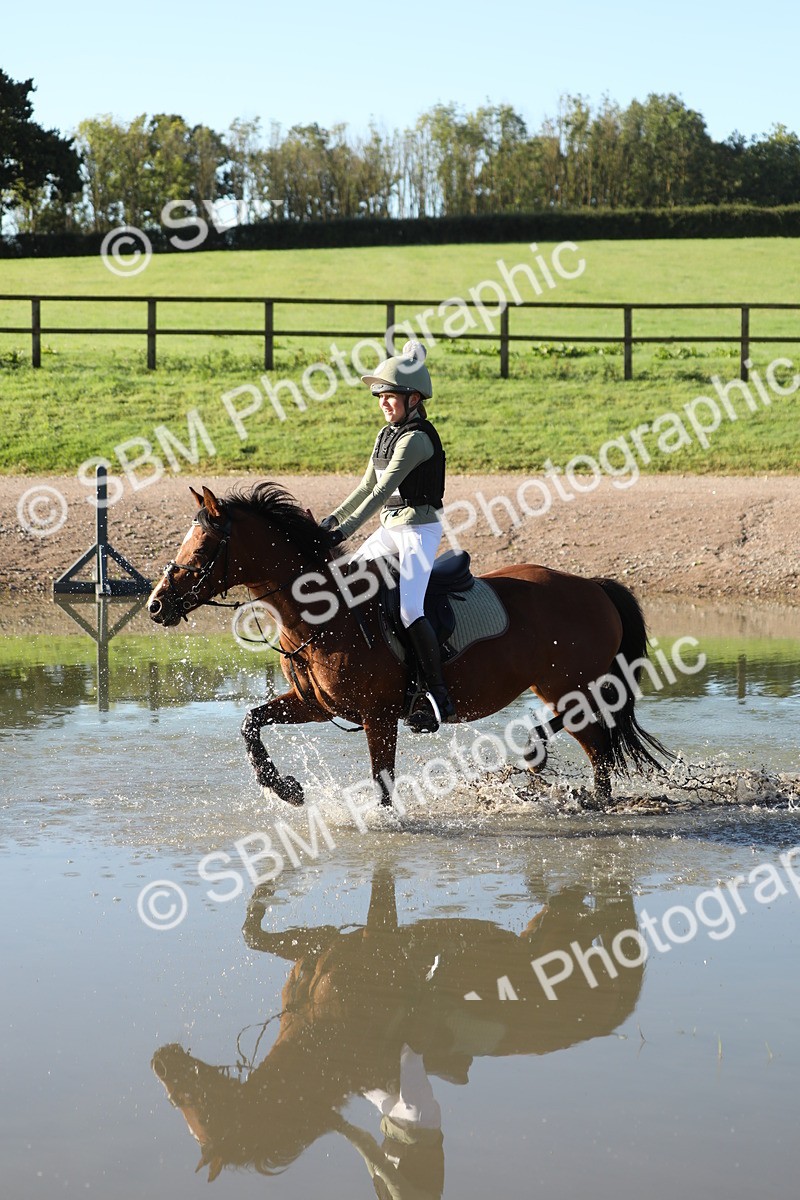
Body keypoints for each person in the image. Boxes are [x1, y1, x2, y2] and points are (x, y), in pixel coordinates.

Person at [320, 341, 455, 732]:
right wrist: (330, 521)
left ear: (413, 398)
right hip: (390, 528)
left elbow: (383, 492)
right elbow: (364, 489)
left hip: (418, 530)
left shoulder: (415, 439)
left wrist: (344, 531)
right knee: (348, 585)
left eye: (389, 395)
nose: (382, 401)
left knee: (410, 609)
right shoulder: (386, 435)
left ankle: (438, 697)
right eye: (379, 395)